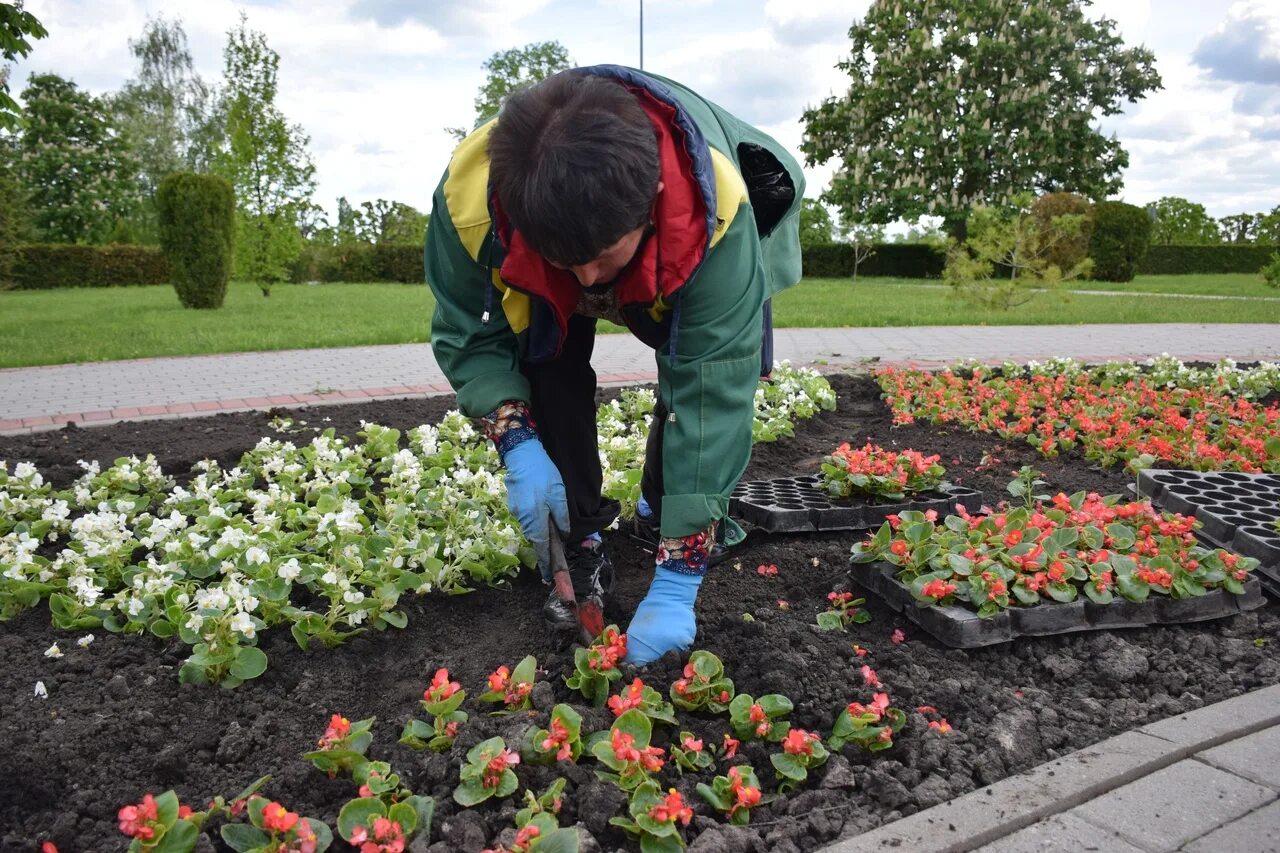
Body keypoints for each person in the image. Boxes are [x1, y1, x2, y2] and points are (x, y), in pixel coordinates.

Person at [425, 65, 804, 665]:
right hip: (545, 245)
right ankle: (580, 540)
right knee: (545, 355)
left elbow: (711, 394)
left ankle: (664, 516)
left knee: (692, 380)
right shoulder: (467, 198)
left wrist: (681, 574)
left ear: (650, 200)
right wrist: (517, 440)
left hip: (709, 236)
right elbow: (472, 332)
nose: (586, 282)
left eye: (601, 259)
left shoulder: (722, 219)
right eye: (564, 262)